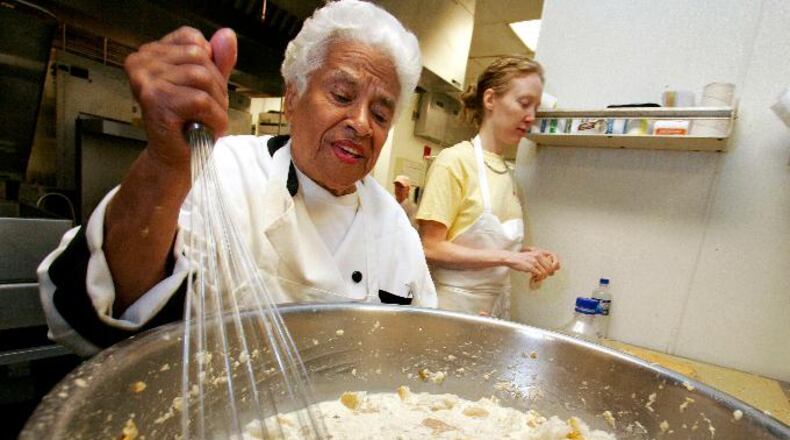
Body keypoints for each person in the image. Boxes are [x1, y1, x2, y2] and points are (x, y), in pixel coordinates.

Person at [37, 0, 435, 356]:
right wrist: (165, 162)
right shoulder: (220, 172)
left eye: (381, 115)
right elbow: (101, 307)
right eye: (342, 96)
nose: (362, 124)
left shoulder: (395, 228)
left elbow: (415, 349)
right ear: (293, 97)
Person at [416, 55, 560, 319]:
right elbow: (431, 247)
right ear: (490, 99)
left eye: (535, 108)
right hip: (449, 310)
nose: (530, 117)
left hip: (493, 310)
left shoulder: (508, 174)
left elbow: (487, 249)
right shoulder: (455, 161)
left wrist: (529, 257)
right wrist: (508, 258)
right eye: (524, 103)